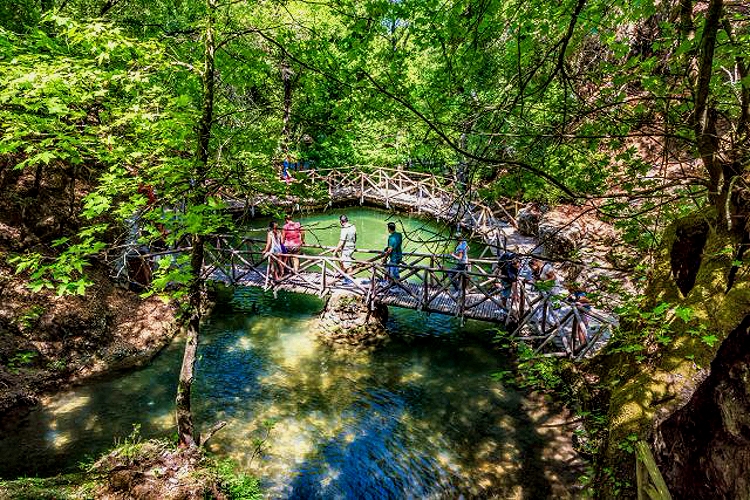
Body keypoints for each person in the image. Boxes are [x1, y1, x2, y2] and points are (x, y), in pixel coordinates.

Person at [333, 214, 357, 283]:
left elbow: (341, 242)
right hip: (352, 247)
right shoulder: (353, 226)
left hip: (346, 249)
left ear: (341, 221)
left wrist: (335, 251)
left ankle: (350, 280)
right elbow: (355, 237)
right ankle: (346, 277)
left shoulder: (344, 229)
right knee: (346, 263)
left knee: (348, 265)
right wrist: (353, 244)